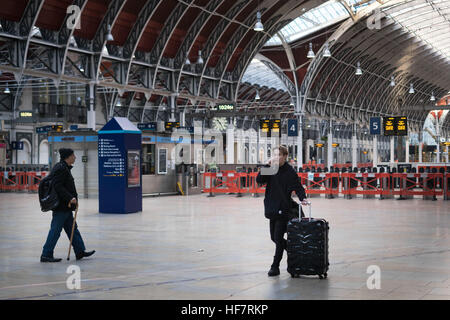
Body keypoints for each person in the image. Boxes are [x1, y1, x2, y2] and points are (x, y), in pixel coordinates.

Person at [256, 146, 309, 276]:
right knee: (273, 237)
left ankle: (275, 266)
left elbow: (298, 186)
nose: (276, 157)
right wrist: (266, 166)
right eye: (274, 155)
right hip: (271, 208)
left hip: (283, 208)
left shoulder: (289, 172)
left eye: (278, 155)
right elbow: (259, 180)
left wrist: (303, 198)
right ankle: (294, 251)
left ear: (285, 156)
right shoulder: (272, 169)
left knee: (278, 238)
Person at [40, 148, 95, 262]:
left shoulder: (64, 167)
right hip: (61, 206)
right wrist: (70, 198)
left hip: (66, 207)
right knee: (55, 230)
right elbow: (57, 186)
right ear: (68, 157)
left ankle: (80, 251)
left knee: (73, 229)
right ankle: (46, 254)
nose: (75, 157)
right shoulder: (61, 168)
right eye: (73, 155)